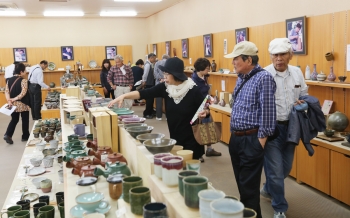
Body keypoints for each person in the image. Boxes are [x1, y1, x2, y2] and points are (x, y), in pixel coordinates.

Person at [108, 57, 207, 159]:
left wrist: (205, 112)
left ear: (176, 74)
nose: (164, 77)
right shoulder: (166, 88)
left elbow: (205, 106)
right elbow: (144, 93)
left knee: (190, 168)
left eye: (166, 74)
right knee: (178, 167)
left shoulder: (193, 89)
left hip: (192, 138)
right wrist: (123, 96)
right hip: (175, 138)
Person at [224, 41, 276, 218]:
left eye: (236, 59)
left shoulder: (264, 78)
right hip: (236, 139)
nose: (233, 63)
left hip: (252, 140)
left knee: (249, 190)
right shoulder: (241, 77)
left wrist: (259, 144)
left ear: (248, 60)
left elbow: (268, 115)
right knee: (242, 185)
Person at [261, 38, 308, 218]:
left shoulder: (297, 72)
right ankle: (280, 208)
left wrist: (303, 102)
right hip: (272, 129)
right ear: (271, 56)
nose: (279, 58)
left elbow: (304, 93)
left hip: (292, 127)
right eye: (275, 55)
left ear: (290, 55)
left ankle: (267, 188)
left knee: (285, 169)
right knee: (275, 170)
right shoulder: (264, 74)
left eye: (282, 54)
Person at [191, 58, 222, 162]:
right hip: (198, 108)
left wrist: (211, 99)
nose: (208, 70)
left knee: (208, 127)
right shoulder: (194, 80)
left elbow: (206, 92)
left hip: (206, 105)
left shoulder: (204, 77)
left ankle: (209, 149)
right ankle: (198, 153)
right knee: (199, 129)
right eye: (207, 68)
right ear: (200, 69)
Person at [3, 63, 31, 144]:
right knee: (25, 120)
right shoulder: (24, 80)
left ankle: (8, 134)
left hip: (13, 105)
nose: (25, 72)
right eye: (25, 70)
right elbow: (23, 93)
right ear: (21, 71)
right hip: (23, 104)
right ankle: (25, 136)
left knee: (14, 120)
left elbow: (7, 91)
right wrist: (14, 98)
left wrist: (9, 100)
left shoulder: (9, 80)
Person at [154, 54, 170, 120]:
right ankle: (167, 116)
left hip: (159, 83)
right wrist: (165, 79)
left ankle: (159, 116)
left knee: (159, 100)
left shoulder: (157, 63)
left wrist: (160, 79)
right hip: (168, 83)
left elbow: (155, 73)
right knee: (168, 100)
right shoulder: (169, 63)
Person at [142, 53, 157, 119]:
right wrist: (144, 81)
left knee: (151, 99)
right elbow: (145, 74)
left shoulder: (151, 64)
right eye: (154, 58)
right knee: (149, 99)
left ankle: (151, 111)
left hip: (151, 83)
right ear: (150, 58)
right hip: (148, 83)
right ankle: (147, 113)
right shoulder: (148, 65)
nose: (155, 59)